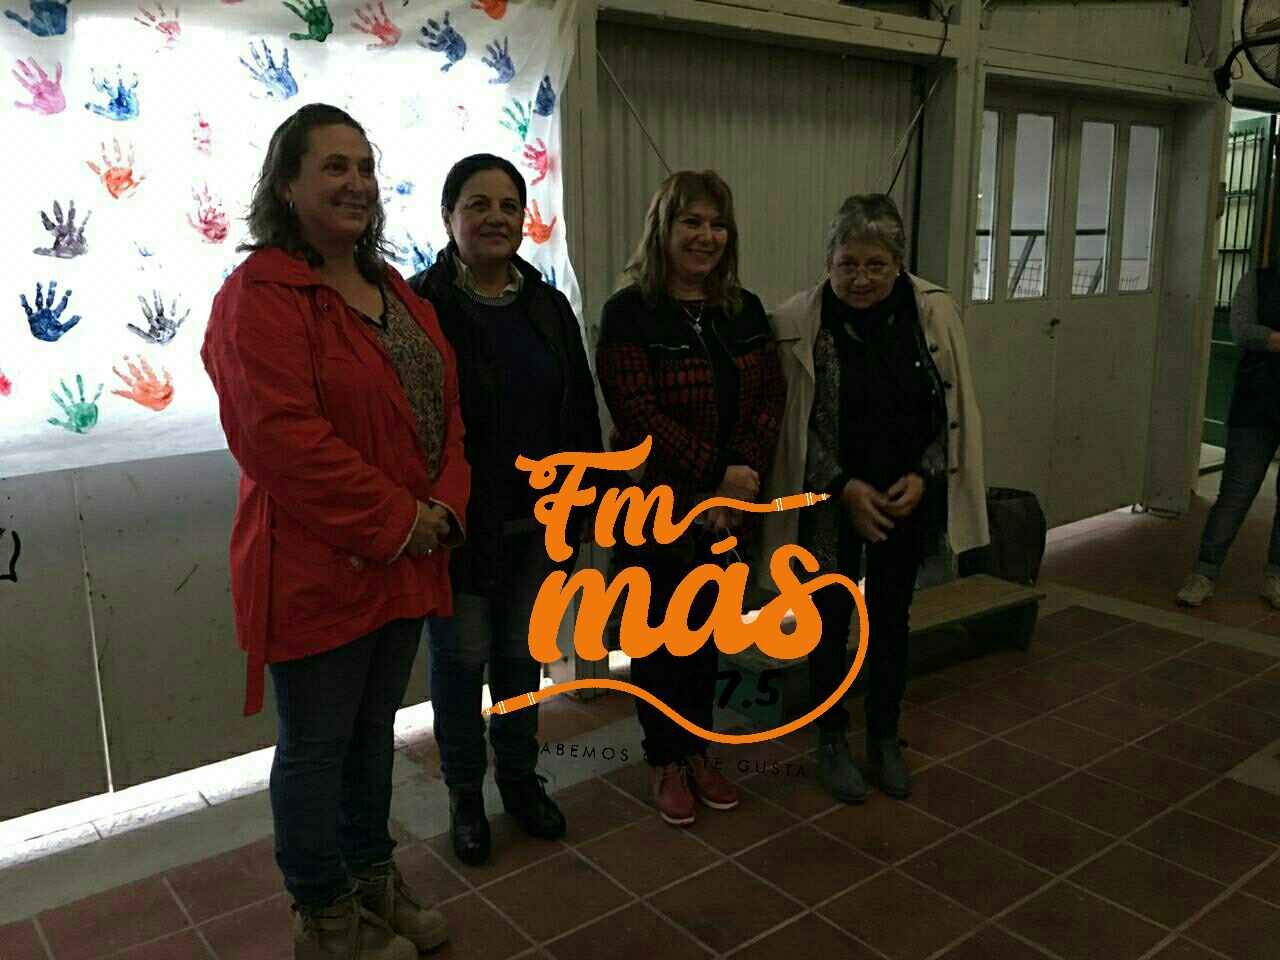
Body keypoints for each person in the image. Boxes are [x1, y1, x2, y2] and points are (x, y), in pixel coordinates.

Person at [201, 103, 468, 960]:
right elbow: (282, 441)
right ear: (287, 185)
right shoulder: (258, 297)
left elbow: (445, 413)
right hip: (318, 566)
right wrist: (402, 519)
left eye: (365, 167)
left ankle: (370, 874)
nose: (357, 183)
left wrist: (444, 509)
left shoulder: (394, 290)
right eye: (334, 167)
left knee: (371, 733)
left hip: (404, 560)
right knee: (317, 747)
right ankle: (322, 913)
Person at [407, 154, 602, 866]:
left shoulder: (548, 305)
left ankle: (520, 780)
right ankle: (466, 795)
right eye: (477, 204)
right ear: (447, 217)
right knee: (460, 668)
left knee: (521, 663)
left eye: (509, 206)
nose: (495, 218)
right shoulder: (418, 306)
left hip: (539, 526)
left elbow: (578, 410)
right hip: (458, 532)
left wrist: (584, 507)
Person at [761, 193, 988, 803]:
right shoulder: (798, 322)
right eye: (847, 264)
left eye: (875, 265)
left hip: (903, 497)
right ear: (828, 262)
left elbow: (950, 407)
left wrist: (925, 474)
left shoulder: (931, 313)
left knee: (892, 618)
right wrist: (843, 487)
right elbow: (793, 426)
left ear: (899, 264)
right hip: (828, 501)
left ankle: (884, 736)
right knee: (828, 621)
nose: (860, 279)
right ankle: (831, 740)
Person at [596, 170, 785, 827]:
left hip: (730, 510)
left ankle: (698, 749)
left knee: (704, 638)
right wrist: (717, 475)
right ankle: (665, 760)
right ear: (663, 230)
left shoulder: (744, 309)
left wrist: (743, 474)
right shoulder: (629, 313)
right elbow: (636, 413)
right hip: (656, 508)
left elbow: (770, 398)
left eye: (716, 224)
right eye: (691, 222)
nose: (705, 236)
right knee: (657, 640)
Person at [1178, 266, 1280, 608]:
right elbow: (1243, 331)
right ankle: (1204, 573)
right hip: (1256, 403)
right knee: (1236, 494)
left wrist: (1272, 339)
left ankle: (1276, 576)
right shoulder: (1259, 280)